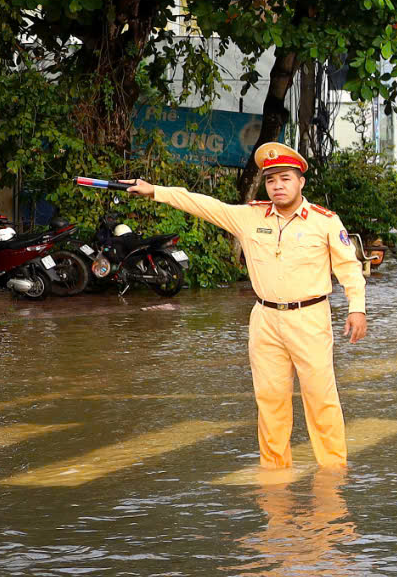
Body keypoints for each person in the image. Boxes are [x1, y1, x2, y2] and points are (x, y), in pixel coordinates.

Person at [130, 141, 369, 471]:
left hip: (310, 318)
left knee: (320, 399)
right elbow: (202, 204)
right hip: (265, 319)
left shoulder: (324, 221)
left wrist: (357, 308)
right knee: (270, 400)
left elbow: (348, 267)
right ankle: (275, 476)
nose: (278, 186)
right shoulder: (249, 216)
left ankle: (333, 474)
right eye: (271, 180)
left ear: (301, 181)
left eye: (285, 178)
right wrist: (155, 190)